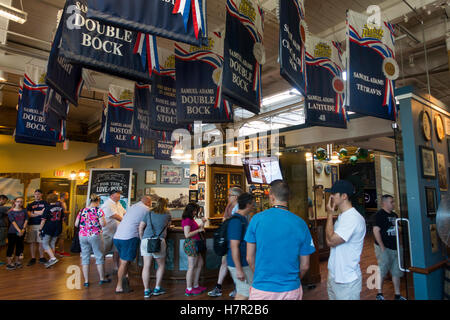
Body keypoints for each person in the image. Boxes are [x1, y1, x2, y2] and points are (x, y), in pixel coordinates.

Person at [245, 180, 315, 300]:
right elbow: (305, 266)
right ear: (289, 198)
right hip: (291, 289)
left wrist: (261, 276)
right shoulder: (301, 224)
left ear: (271, 197)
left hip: (262, 288)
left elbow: (249, 258)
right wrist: (292, 281)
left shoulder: (256, 220)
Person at [325, 180, 366, 300]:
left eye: (334, 193)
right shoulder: (343, 216)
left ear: (344, 196)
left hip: (347, 279)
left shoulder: (352, 218)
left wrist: (329, 214)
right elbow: (329, 242)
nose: (331, 196)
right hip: (334, 275)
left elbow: (331, 240)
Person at [208, 187, 243, 298]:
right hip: (228, 241)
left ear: (236, 197)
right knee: (225, 263)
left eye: (230, 195)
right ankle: (219, 287)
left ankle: (238, 289)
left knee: (235, 265)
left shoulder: (239, 208)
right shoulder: (229, 207)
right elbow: (225, 222)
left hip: (235, 242)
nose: (228, 197)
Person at [113, 196, 152, 294]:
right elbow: (151, 223)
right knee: (124, 262)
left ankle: (125, 281)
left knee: (124, 261)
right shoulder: (146, 209)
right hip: (128, 237)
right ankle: (119, 286)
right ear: (148, 202)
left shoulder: (133, 206)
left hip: (118, 236)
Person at [373, 195, 407, 300]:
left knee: (396, 271)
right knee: (382, 270)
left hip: (395, 246)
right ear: (384, 203)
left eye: (393, 202)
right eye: (391, 202)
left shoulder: (395, 215)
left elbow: (399, 230)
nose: (393, 204)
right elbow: (376, 231)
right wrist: (382, 246)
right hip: (384, 247)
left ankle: (397, 295)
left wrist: (400, 243)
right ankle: (379, 294)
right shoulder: (379, 215)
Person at [75, 194, 111, 287]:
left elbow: (76, 224)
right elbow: (103, 224)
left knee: (85, 257)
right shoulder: (98, 210)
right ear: (97, 201)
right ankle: (102, 278)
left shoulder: (82, 210)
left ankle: (86, 281)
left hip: (82, 235)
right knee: (98, 255)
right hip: (95, 235)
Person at [139, 198, 172, 298]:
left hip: (146, 240)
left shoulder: (149, 213)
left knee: (146, 266)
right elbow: (168, 226)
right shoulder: (167, 214)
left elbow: (141, 227)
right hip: (159, 240)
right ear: (165, 205)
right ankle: (157, 288)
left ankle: (146, 290)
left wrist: (142, 239)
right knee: (161, 265)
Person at [227, 193, 255, 300]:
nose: (254, 206)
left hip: (243, 262)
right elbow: (234, 246)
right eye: (253, 204)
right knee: (244, 293)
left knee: (245, 291)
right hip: (239, 264)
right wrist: (238, 269)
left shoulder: (242, 219)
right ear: (248, 204)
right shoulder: (236, 221)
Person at [182, 202, 207, 296]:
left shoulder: (191, 219)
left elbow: (197, 230)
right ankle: (189, 289)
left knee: (200, 263)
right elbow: (187, 234)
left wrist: (203, 223)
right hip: (191, 244)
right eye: (195, 210)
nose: (196, 212)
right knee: (191, 266)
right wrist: (198, 230)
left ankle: (196, 285)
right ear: (192, 210)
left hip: (195, 243)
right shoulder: (187, 220)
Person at [101, 190, 126, 275]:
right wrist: (126, 221)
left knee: (116, 250)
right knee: (103, 251)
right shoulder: (107, 204)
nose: (118, 198)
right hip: (107, 232)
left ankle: (115, 267)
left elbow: (124, 212)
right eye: (117, 196)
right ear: (111, 196)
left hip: (117, 232)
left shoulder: (118, 203)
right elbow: (115, 216)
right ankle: (102, 271)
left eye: (119, 196)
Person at [39, 193, 65, 268]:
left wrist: (40, 229)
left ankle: (53, 258)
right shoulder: (60, 208)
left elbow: (43, 220)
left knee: (45, 243)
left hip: (49, 227)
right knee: (52, 243)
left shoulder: (47, 208)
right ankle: (51, 259)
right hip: (58, 227)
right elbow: (62, 219)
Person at [26, 189, 48, 266]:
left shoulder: (45, 203)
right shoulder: (30, 204)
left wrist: (34, 212)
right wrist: (39, 213)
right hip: (31, 225)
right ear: (34, 195)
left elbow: (45, 213)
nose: (37, 195)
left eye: (38, 194)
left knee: (41, 242)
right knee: (32, 242)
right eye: (36, 194)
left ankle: (42, 257)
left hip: (41, 225)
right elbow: (29, 214)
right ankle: (33, 258)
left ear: (41, 194)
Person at [6, 197, 28, 270]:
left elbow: (26, 220)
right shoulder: (10, 212)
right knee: (11, 247)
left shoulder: (24, 211)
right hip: (12, 232)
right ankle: (9, 263)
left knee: (19, 247)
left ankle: (17, 261)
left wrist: (23, 229)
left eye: (21, 202)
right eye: (18, 201)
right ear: (15, 202)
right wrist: (19, 230)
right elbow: (13, 222)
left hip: (22, 232)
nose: (19, 203)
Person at [56, 192, 70, 257]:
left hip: (62, 220)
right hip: (61, 221)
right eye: (67, 195)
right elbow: (58, 211)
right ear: (64, 196)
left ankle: (56, 250)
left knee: (59, 236)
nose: (68, 196)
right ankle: (61, 251)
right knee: (62, 236)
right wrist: (67, 212)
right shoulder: (59, 203)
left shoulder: (63, 203)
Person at [0, 195, 10, 266]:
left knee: (1, 245)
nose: (5, 202)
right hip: (1, 228)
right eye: (5, 200)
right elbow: (12, 209)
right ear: (2, 199)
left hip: (2, 227)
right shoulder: (1, 207)